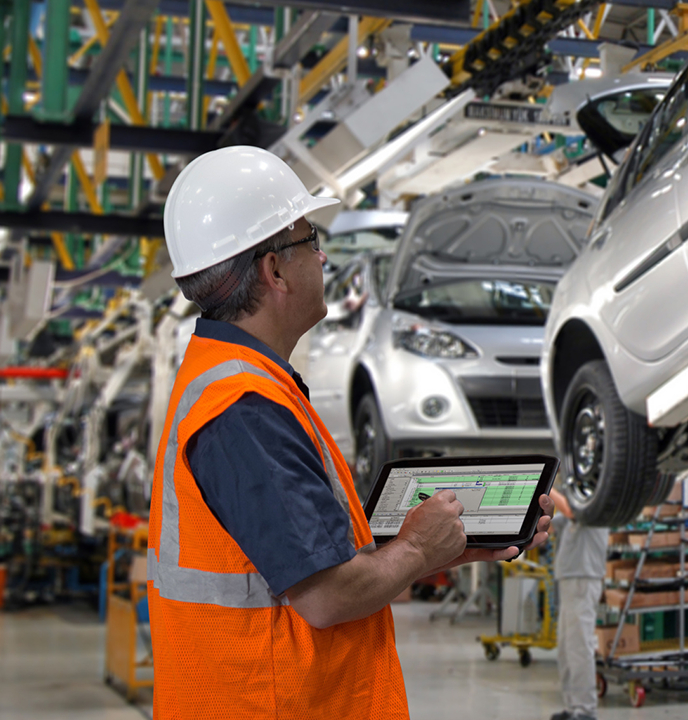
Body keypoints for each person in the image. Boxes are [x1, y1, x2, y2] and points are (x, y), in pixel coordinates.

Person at [146, 146, 552, 720]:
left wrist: (451, 545)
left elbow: (308, 563)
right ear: (275, 270)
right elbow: (328, 593)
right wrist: (414, 546)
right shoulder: (244, 407)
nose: (322, 256)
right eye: (309, 239)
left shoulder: (243, 386)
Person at [549, 487, 609, 720]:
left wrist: (547, 483)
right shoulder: (579, 505)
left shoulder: (595, 503)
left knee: (579, 646)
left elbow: (570, 511)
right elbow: (553, 524)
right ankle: (573, 706)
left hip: (583, 579)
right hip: (569, 579)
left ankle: (585, 710)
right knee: (566, 647)